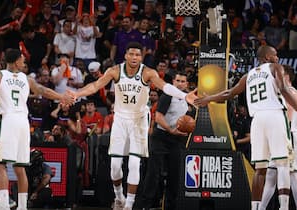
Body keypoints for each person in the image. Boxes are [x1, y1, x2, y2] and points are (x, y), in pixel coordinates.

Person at [71, 42, 197, 210]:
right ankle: (119, 196)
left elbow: (164, 86)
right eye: (131, 54)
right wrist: (77, 94)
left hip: (139, 120)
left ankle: (129, 205)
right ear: (126, 55)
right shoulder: (115, 71)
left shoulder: (148, 73)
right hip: (121, 119)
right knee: (115, 166)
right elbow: (95, 86)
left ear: (141, 57)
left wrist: (184, 96)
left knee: (134, 163)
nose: (134, 58)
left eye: (138, 55)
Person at [194, 45, 297, 210]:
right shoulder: (274, 67)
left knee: (260, 169)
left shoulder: (248, 75)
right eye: (275, 55)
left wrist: (210, 98)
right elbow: (283, 89)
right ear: (267, 57)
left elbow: (229, 93)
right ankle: (284, 207)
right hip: (274, 115)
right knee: (283, 164)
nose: (277, 58)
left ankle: (255, 207)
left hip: (256, 120)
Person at [0, 48, 74, 210]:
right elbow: (43, 91)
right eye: (22, 60)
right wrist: (62, 97)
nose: (24, 62)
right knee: (20, 168)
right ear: (15, 61)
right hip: (23, 124)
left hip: (7, 121)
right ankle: (22, 207)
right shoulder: (26, 79)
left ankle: (4, 206)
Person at [139, 71, 190, 210]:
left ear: (187, 84)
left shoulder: (187, 98)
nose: (179, 84)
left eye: (182, 81)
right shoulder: (168, 95)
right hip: (160, 136)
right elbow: (159, 117)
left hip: (177, 139)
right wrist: (170, 129)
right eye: (177, 81)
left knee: (175, 175)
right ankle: (145, 205)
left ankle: (170, 206)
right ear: (173, 82)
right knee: (153, 173)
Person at [258, 65, 297, 210]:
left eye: (278, 75)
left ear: (285, 76)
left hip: (289, 137)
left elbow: (288, 117)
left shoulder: (290, 92)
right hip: (279, 137)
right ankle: (261, 208)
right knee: (271, 176)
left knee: (292, 175)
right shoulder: (283, 94)